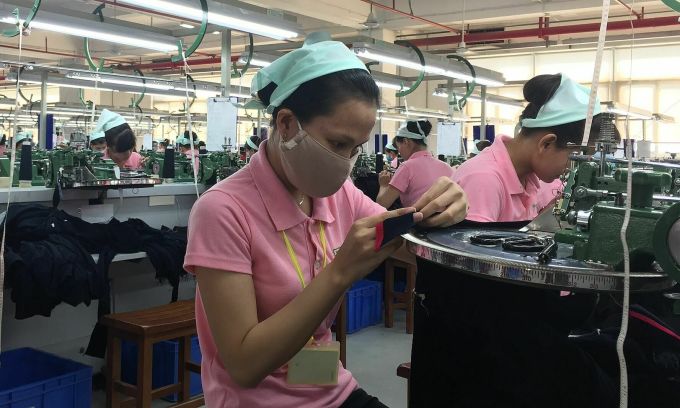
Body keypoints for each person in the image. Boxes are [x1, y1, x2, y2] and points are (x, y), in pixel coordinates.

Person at [184, 33, 467, 408]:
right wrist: (339, 273)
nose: (346, 162)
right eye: (336, 144)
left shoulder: (337, 194)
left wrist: (440, 219)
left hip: (327, 387)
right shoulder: (222, 211)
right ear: (286, 124)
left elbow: (402, 244)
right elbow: (244, 365)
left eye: (355, 148)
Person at [453, 73, 606, 222]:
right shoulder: (484, 179)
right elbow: (471, 247)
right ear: (546, 144)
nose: (575, 169)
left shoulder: (527, 178)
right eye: (575, 159)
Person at [376, 120, 456, 209]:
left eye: (399, 147)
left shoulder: (407, 167)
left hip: (419, 220)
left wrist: (383, 185)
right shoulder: (447, 168)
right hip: (448, 222)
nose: (399, 152)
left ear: (406, 141)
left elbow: (381, 205)